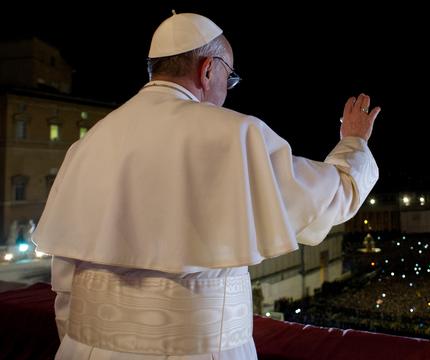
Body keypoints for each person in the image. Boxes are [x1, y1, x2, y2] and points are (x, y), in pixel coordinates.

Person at [32, 11, 380, 360]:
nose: (226, 91)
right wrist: (354, 143)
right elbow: (331, 197)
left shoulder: (90, 141)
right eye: (229, 78)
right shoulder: (235, 134)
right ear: (208, 69)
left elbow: (65, 280)